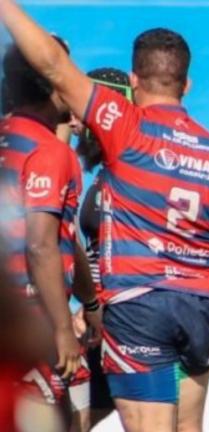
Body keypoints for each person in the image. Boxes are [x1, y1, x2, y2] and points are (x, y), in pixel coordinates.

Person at [0, 3, 209, 431]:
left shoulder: (125, 124)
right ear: (186, 84)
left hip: (139, 307)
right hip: (201, 307)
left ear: (133, 82)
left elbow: (54, 65)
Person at [0, 38, 101, 426]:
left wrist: (90, 304)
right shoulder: (50, 152)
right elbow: (41, 243)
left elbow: (62, 237)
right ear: (54, 83)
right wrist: (61, 328)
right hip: (30, 319)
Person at [68, 67, 133, 431]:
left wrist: (96, 304)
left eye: (80, 112)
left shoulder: (127, 171)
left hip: (121, 320)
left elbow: (134, 248)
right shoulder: (108, 171)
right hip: (102, 320)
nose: (73, 122)